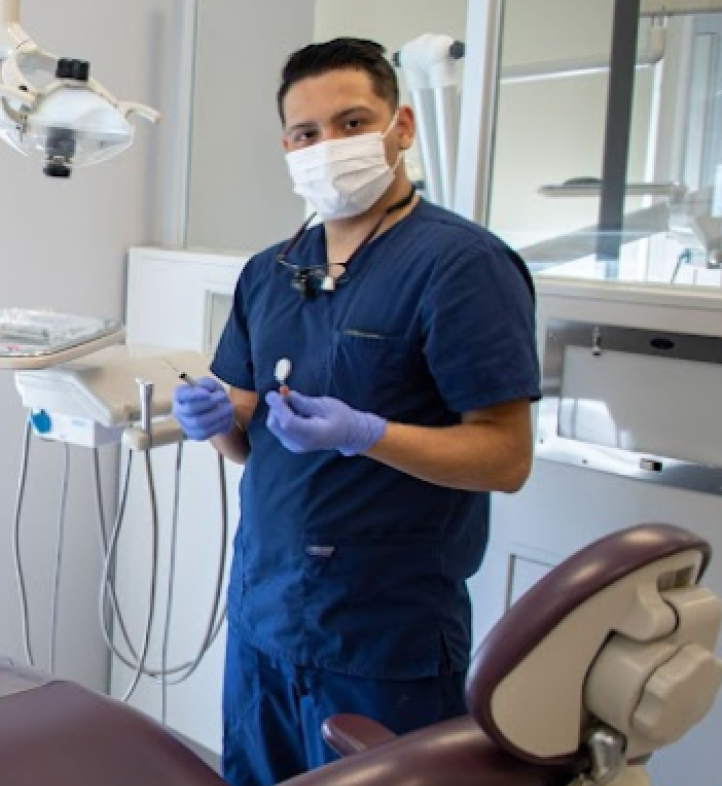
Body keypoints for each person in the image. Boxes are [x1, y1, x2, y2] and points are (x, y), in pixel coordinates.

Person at [170, 38, 541, 786]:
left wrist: (366, 435)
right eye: (307, 135)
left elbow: (505, 457)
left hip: (384, 636)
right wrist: (219, 421)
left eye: (352, 123)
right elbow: (250, 444)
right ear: (286, 146)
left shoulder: (461, 266)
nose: (328, 147)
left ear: (401, 126)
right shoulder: (270, 273)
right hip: (265, 618)